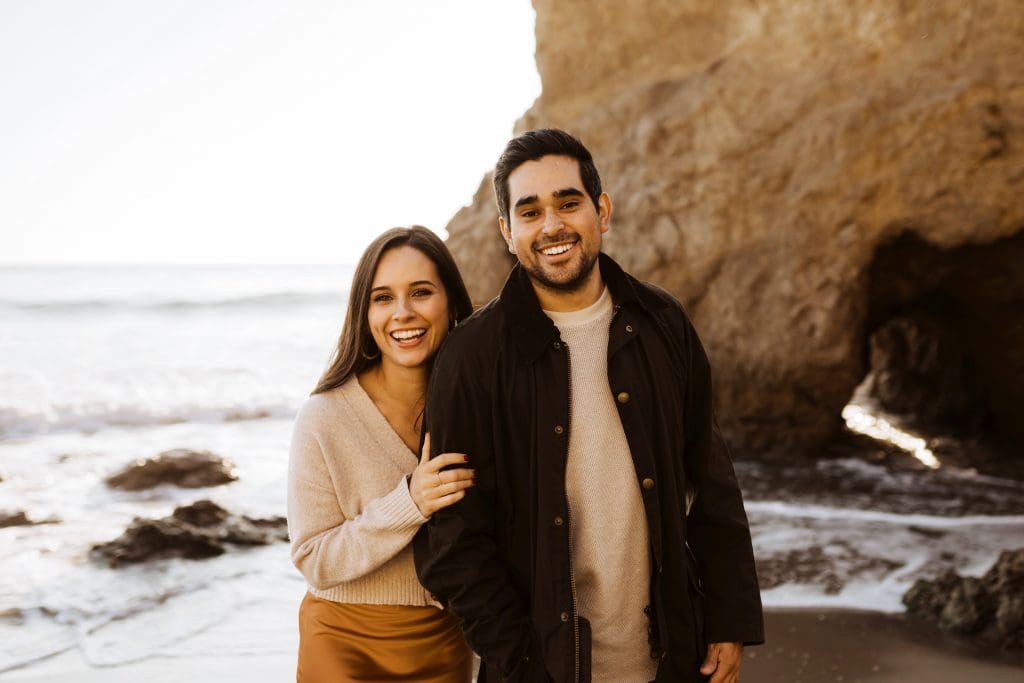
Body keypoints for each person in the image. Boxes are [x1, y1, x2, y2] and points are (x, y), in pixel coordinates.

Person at [414, 130, 764, 682]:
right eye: (529, 212)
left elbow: (712, 480)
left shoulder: (662, 323)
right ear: (507, 232)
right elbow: (451, 539)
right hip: (539, 669)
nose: (551, 225)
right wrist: (525, 660)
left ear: (602, 211)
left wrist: (728, 617)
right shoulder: (472, 356)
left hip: (671, 658)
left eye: (568, 203)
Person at [288, 226, 477, 682]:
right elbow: (314, 558)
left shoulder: (475, 410)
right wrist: (409, 503)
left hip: (446, 643)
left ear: (450, 303)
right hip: (343, 643)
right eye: (383, 298)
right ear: (365, 313)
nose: (403, 313)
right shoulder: (323, 417)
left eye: (420, 292)